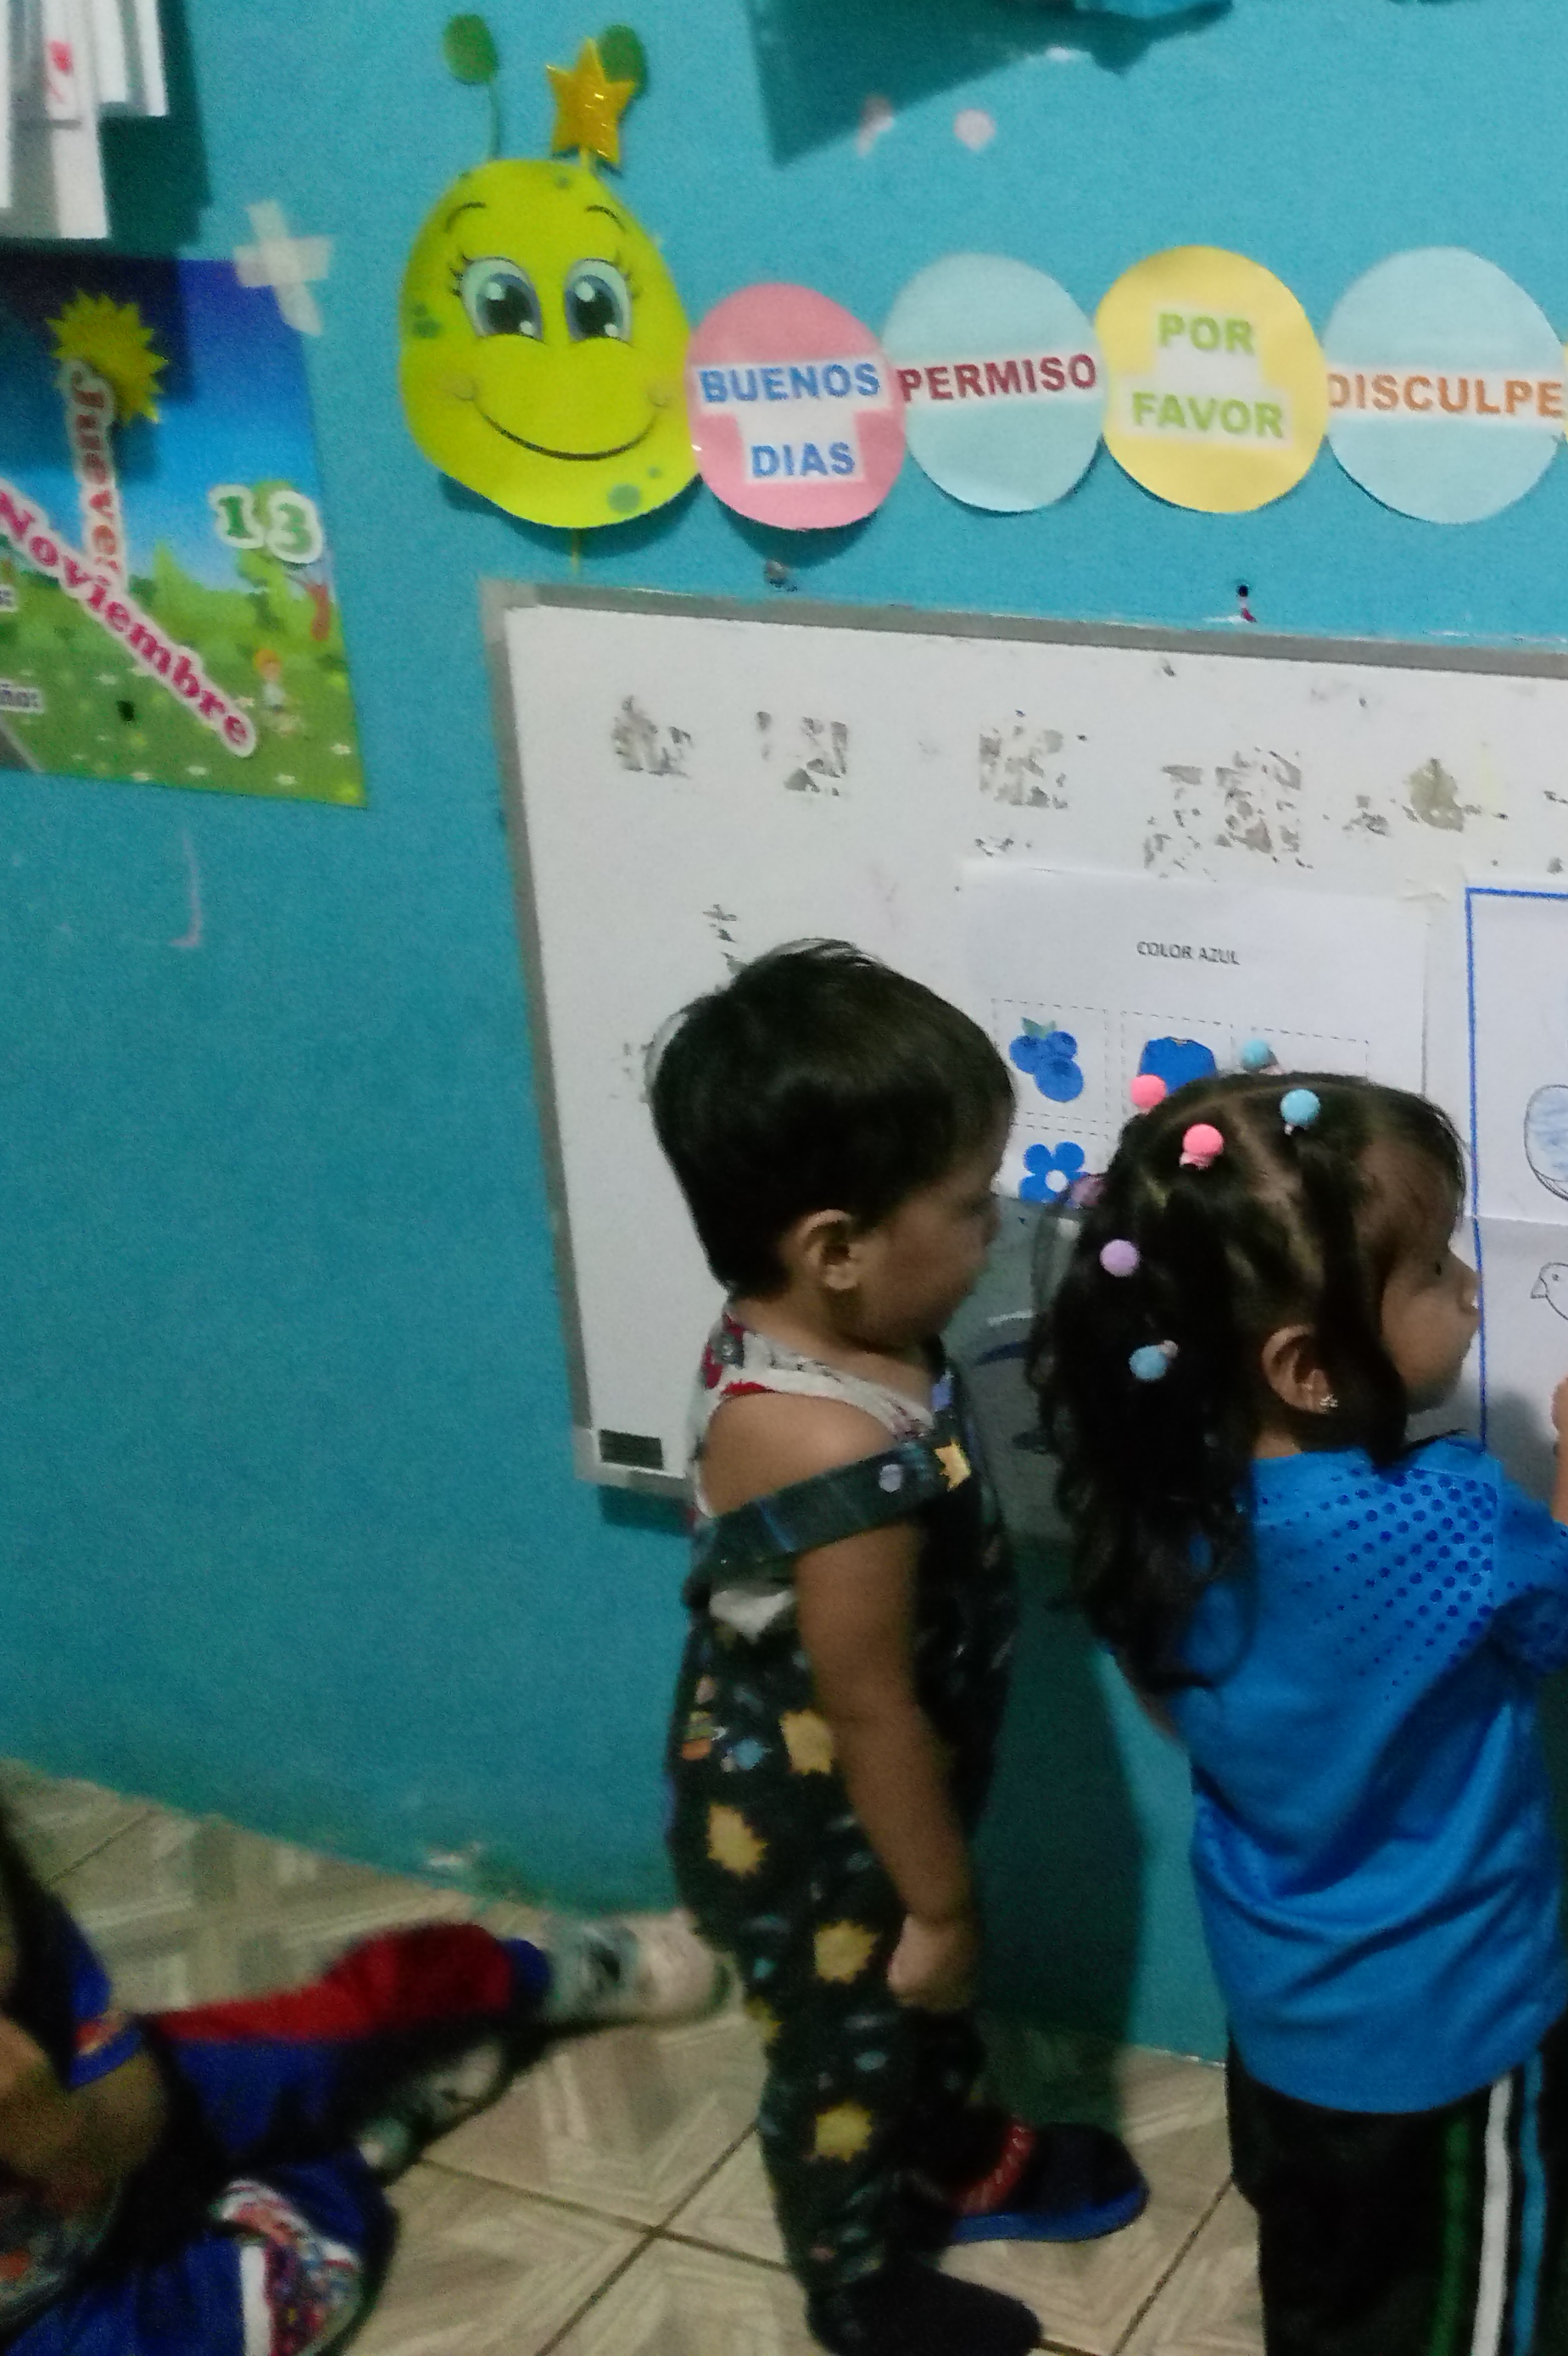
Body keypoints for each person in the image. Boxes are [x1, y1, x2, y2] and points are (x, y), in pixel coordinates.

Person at [1035, 1069, 1568, 2356]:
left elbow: (1175, 1705)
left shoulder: (1158, 1514)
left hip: (1283, 2018)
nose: (1469, 1287)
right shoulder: (1443, 1519)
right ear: (1306, 1367)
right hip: (1458, 2031)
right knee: (1468, 2312)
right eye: (1431, 1270)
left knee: (1328, 2283)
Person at [648, 942, 1145, 2356]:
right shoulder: (825, 1447)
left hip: (879, 1790)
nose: (995, 1226)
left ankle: (960, 2156)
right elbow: (868, 1708)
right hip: (814, 1828)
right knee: (844, 2053)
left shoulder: (853, 1337)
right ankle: (853, 2280)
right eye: (971, 1203)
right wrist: (943, 1903)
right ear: (836, 1249)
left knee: (916, 2011)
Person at [0, 1706, 720, 2353]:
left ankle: (548, 1977)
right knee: (276, 2308)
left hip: (126, 2123)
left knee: (327, 2035)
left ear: (5, 1877)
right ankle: (354, 2149)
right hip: (31, 2314)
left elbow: (136, 2110)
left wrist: (57, 2135)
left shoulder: (34, 1952)